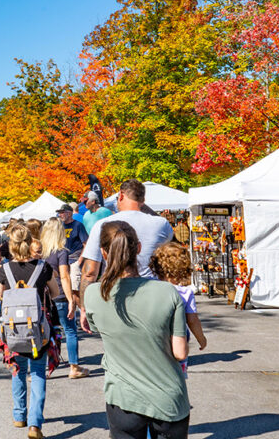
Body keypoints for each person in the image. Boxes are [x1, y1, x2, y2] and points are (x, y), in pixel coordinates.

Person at [84, 221, 190, 439]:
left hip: (123, 399)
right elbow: (180, 352)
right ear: (139, 248)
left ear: (104, 253)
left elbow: (94, 327)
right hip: (168, 398)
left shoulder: (94, 294)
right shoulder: (167, 292)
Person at [0, 224, 61, 439]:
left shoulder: (5, 269)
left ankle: (19, 416)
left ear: (11, 246)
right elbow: (55, 291)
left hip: (14, 329)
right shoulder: (42, 267)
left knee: (18, 370)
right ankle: (35, 424)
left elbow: (1, 296)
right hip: (38, 330)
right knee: (38, 373)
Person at [80, 179, 175, 322]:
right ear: (143, 199)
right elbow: (170, 254)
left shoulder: (102, 225)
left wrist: (84, 308)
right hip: (153, 295)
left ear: (121, 195)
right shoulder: (161, 224)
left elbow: (89, 272)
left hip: (115, 296)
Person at [150, 243, 207, 377]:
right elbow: (192, 320)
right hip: (178, 334)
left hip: (154, 332)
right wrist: (201, 338)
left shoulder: (149, 287)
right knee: (177, 366)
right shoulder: (185, 292)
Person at [40, 217, 88, 379]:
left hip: (44, 297)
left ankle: (45, 368)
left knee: (46, 332)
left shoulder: (39, 252)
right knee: (70, 330)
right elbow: (65, 276)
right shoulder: (61, 252)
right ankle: (74, 367)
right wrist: (70, 301)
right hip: (59, 294)